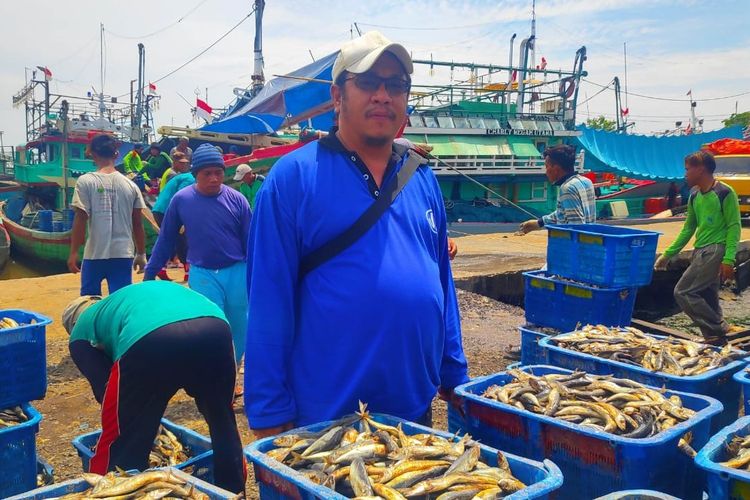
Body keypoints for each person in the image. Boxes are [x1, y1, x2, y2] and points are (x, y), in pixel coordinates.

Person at [244, 31, 468, 437]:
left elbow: (440, 281)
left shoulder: (420, 176)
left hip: (414, 413)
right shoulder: (293, 178)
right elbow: (267, 299)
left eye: (396, 85)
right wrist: (269, 410)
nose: (383, 95)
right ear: (337, 95)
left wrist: (453, 370)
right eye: (367, 82)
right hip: (327, 419)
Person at [61, 282, 245, 494]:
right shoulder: (122, 300)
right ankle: (234, 492)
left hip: (153, 336)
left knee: (121, 437)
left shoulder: (80, 333)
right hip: (216, 328)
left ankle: (105, 494)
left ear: (71, 324)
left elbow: (108, 395)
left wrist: (142, 420)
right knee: (223, 421)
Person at [144, 143, 251, 363]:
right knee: (213, 326)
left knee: (240, 328)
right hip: (203, 273)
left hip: (237, 271)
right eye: (207, 173)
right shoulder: (182, 200)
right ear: (195, 175)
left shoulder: (237, 199)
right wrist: (150, 272)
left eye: (218, 173)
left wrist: (257, 275)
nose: (213, 178)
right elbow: (166, 239)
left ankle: (229, 376)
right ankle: (215, 379)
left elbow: (251, 241)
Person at [655, 151, 742, 345]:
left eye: (687, 170)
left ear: (700, 170)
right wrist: (668, 254)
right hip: (700, 249)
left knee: (684, 292)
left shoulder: (724, 193)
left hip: (715, 249)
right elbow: (688, 228)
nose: (685, 174)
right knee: (708, 295)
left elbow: (734, 226)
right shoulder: (694, 195)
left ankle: (716, 329)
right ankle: (715, 337)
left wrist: (728, 259)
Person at [68, 134, 147, 296]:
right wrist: (141, 253)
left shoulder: (85, 181)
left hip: (94, 254)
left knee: (89, 303)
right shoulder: (131, 186)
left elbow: (81, 219)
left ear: (92, 154)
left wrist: (74, 252)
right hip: (123, 254)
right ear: (116, 154)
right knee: (119, 304)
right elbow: (137, 224)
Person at [518, 145, 596, 234]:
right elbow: (564, 212)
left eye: (546, 166)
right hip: (590, 239)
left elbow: (576, 225)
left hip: (573, 244)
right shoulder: (586, 182)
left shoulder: (567, 188)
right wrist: (539, 222)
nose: (546, 171)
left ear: (556, 169)